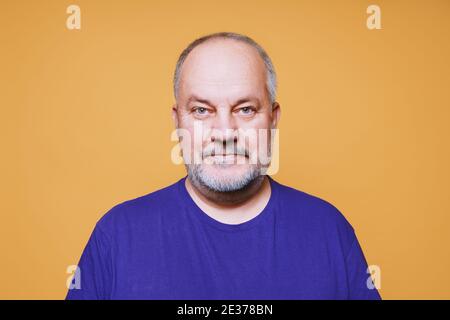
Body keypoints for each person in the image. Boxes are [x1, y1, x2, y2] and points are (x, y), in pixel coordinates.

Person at [66, 32, 381, 300]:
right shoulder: (118, 235)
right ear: (177, 121)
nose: (225, 132)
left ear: (273, 119)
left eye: (245, 109)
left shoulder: (328, 230)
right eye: (202, 110)